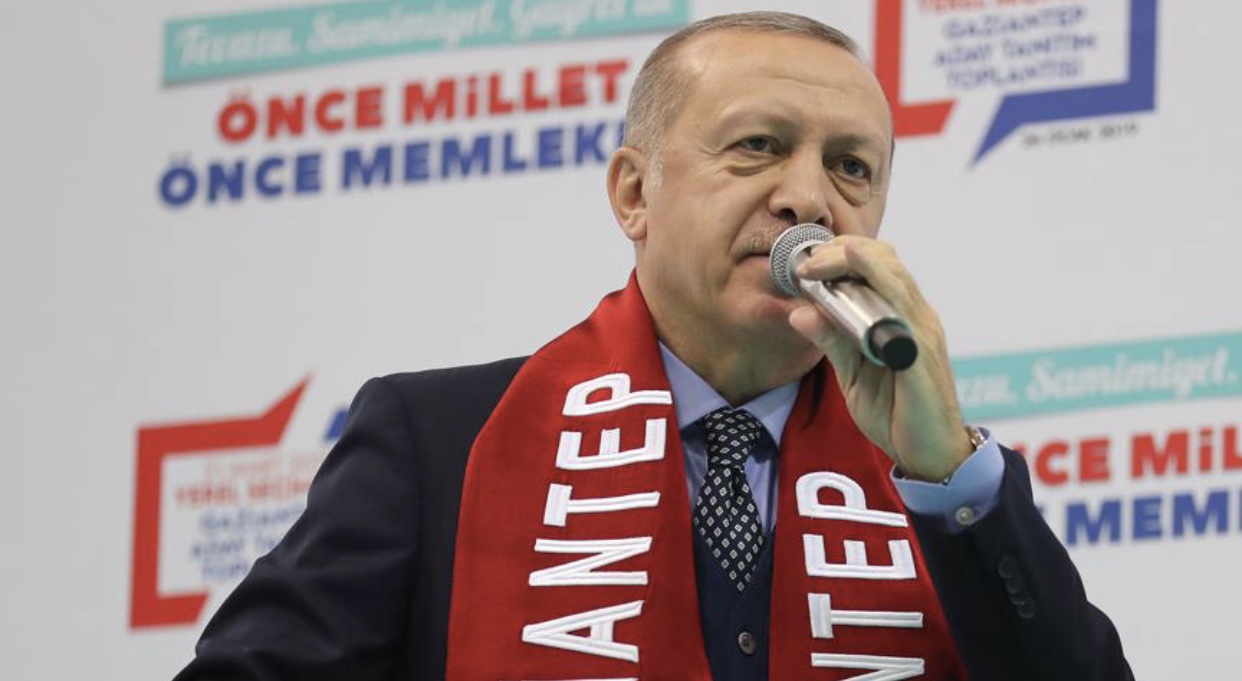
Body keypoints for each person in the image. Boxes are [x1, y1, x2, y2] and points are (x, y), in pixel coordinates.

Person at [175, 12, 1132, 681]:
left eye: (850, 166)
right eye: (758, 146)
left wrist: (950, 476)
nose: (808, 198)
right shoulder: (435, 441)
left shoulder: (941, 487)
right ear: (634, 194)